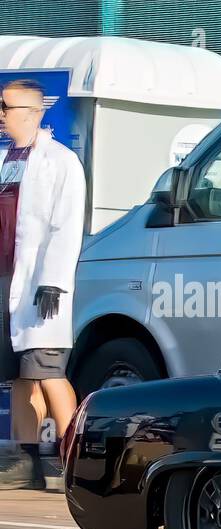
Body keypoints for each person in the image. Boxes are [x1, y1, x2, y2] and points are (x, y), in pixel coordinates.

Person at [0, 78, 86, 491]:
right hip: (7, 280)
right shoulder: (8, 159)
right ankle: (26, 459)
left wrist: (52, 280)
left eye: (6, 107)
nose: (0, 114)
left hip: (40, 285)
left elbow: (65, 225)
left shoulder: (61, 161)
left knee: (48, 370)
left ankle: (71, 460)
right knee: (19, 374)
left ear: (33, 113)